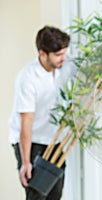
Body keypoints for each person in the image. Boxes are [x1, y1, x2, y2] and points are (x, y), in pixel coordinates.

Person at [9, 26, 73, 200]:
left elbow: (91, 68)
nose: (63, 58)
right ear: (43, 54)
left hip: (55, 139)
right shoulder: (28, 77)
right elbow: (26, 122)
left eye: (64, 53)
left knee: (56, 194)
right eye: (58, 55)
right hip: (31, 140)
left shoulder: (64, 66)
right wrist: (26, 162)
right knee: (37, 195)